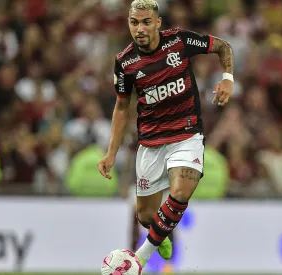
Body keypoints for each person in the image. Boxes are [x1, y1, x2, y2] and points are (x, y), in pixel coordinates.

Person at [97, 0, 234, 267]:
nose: (140, 28)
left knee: (182, 189)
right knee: (146, 217)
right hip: (150, 144)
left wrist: (228, 79)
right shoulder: (125, 63)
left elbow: (222, 46)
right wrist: (110, 153)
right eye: (134, 22)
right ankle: (161, 233)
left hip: (186, 135)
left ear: (158, 23)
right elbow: (122, 107)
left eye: (146, 22)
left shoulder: (179, 42)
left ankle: (140, 259)